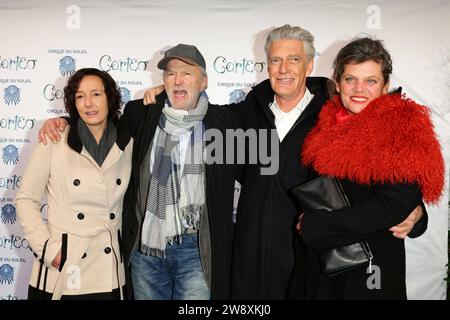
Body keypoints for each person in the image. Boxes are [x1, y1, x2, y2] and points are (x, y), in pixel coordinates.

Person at [142, 25, 427, 299]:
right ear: (265, 65)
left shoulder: (330, 114)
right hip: (251, 259)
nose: (283, 68)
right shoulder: (243, 113)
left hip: (310, 260)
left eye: (293, 59)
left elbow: (371, 183)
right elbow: (196, 113)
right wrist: (166, 97)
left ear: (310, 66)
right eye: (275, 60)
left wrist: (414, 212)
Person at [38, 44, 239, 300]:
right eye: (170, 73)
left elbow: (265, 103)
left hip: (196, 249)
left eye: (187, 73)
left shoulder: (225, 121)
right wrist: (65, 123)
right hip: (146, 249)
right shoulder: (141, 113)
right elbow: (99, 128)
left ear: (204, 82)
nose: (177, 79)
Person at [296, 37, 444, 299]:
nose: (358, 89)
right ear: (338, 83)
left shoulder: (402, 128)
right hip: (323, 268)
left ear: (385, 86)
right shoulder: (324, 126)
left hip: (370, 271)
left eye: (370, 81)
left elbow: (392, 205)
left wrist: (318, 227)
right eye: (350, 79)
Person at [15, 68, 133, 300]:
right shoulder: (55, 138)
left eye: (96, 94)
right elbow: (26, 199)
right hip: (65, 265)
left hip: (109, 267)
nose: (88, 103)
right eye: (80, 96)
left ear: (110, 98)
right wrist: (49, 250)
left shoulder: (126, 141)